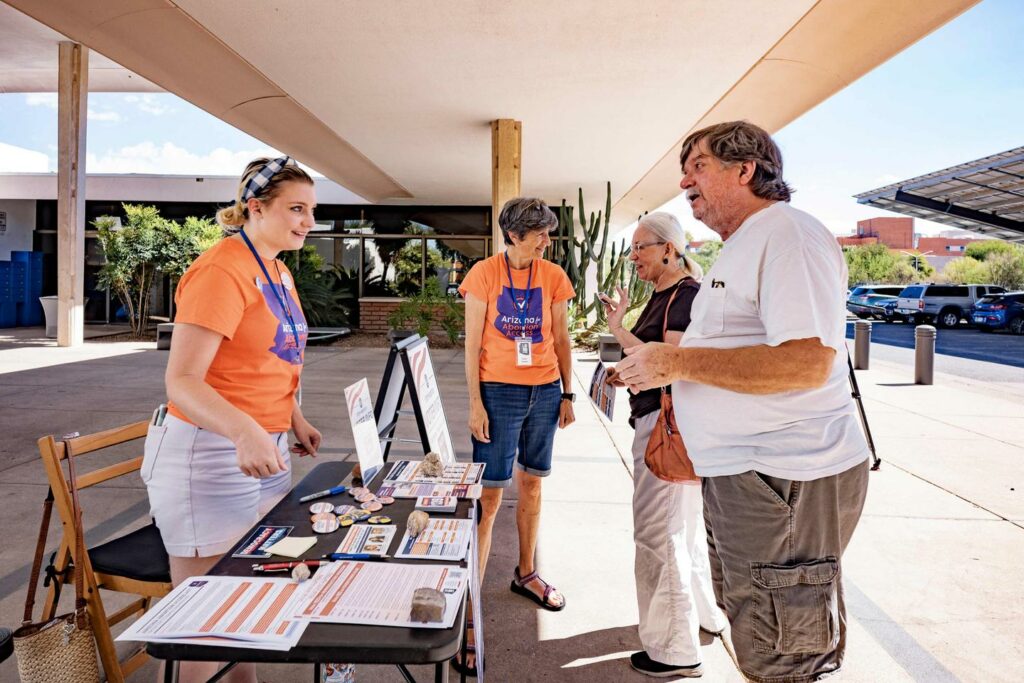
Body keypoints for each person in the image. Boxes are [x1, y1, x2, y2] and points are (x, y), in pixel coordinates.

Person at [614, 121, 870, 683]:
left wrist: (676, 363)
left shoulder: (789, 236)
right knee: (759, 633)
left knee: (786, 653)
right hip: (752, 479)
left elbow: (805, 362)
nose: (685, 180)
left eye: (698, 165)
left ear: (744, 170)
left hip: (785, 481)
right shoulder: (747, 243)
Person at [142, 157, 322, 683]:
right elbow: (183, 381)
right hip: (211, 453)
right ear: (255, 207)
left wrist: (293, 417)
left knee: (251, 599)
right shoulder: (221, 269)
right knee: (203, 618)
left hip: (262, 449)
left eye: (311, 210)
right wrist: (245, 428)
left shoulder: (278, 268)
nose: (307, 221)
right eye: (295, 208)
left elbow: (269, 357)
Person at [601, 212, 726, 678]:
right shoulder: (667, 295)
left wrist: (624, 347)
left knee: (657, 536)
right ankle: (704, 621)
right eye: (632, 248)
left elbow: (669, 365)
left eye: (641, 247)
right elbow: (651, 360)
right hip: (665, 422)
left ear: (670, 249)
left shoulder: (683, 296)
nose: (633, 256)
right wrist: (620, 340)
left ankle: (675, 651)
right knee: (682, 531)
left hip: (664, 429)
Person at [456, 197, 576, 676]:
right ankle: (468, 608)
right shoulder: (483, 274)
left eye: (548, 232)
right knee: (488, 499)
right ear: (513, 235)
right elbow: (472, 342)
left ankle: (525, 572)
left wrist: (568, 393)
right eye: (538, 233)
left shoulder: (553, 277)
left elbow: (562, 338)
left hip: (545, 392)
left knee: (533, 484)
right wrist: (474, 403)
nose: (547, 240)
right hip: (498, 393)